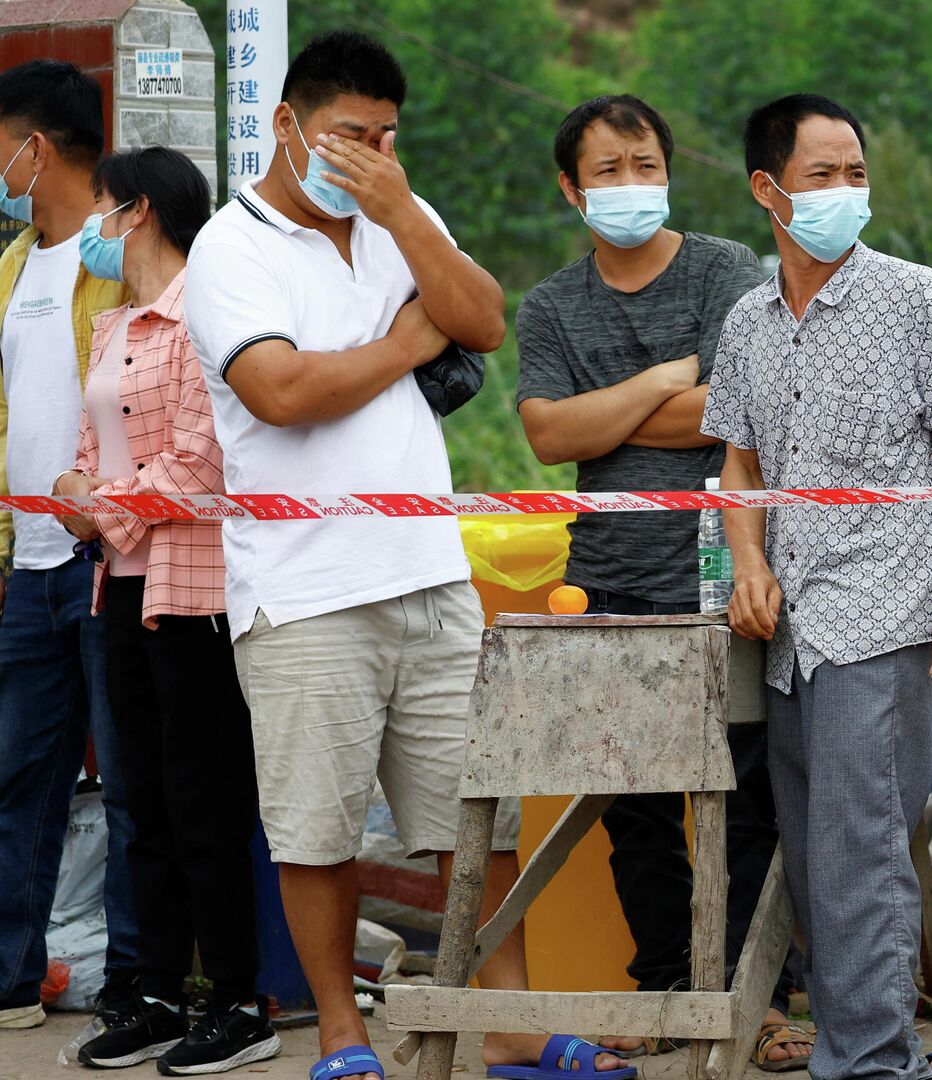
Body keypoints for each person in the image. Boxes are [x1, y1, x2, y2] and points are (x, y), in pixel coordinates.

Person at [181, 32, 629, 1080]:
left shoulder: (395, 213)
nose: (369, 155)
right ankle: (343, 1035)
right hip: (303, 590)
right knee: (318, 825)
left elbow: (479, 315)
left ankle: (510, 1021)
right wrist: (401, 347)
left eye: (386, 137)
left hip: (428, 571)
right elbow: (280, 394)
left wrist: (397, 214)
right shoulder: (228, 249)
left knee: (475, 808)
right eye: (348, 136)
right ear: (288, 125)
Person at [515, 94, 808, 1070]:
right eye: (607, 171)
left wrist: (610, 412)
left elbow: (738, 416)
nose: (630, 186)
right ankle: (666, 987)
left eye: (645, 165)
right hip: (606, 579)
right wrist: (661, 384)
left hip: (728, 567)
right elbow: (548, 436)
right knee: (634, 805)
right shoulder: (553, 304)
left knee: (745, 793)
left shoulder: (727, 269)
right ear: (571, 188)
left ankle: (758, 992)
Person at [700, 92, 932, 1080]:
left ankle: (871, 1064)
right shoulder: (745, 319)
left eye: (855, 174)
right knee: (817, 851)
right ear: (766, 189)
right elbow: (738, 470)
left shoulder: (913, 295)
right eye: (822, 175)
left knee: (863, 851)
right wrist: (747, 563)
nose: (843, 192)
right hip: (787, 630)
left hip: (884, 611)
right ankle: (857, 1046)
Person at [45, 146, 281, 1074]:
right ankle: (153, 991)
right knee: (140, 796)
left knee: (204, 797)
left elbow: (197, 466)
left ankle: (235, 999)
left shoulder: (201, 316)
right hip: (118, 577)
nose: (93, 228)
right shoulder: (112, 328)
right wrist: (83, 494)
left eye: (102, 207)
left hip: (194, 587)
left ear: (137, 210)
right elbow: (86, 452)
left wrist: (95, 500)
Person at [0, 58, 137, 1035]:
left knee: (132, 787)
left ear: (34, 148)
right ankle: (9, 978)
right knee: (17, 782)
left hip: (113, 560)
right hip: (29, 566)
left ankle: (135, 984)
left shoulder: (125, 252)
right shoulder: (8, 267)